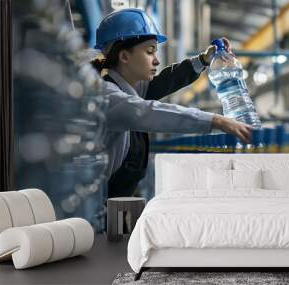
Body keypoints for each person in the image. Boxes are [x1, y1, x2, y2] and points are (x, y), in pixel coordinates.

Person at [92, 8, 252, 198]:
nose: (157, 60)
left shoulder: (129, 89)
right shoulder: (107, 97)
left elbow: (166, 81)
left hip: (116, 204)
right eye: (150, 52)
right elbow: (147, 112)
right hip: (95, 211)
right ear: (124, 56)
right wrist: (217, 120)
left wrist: (203, 59)